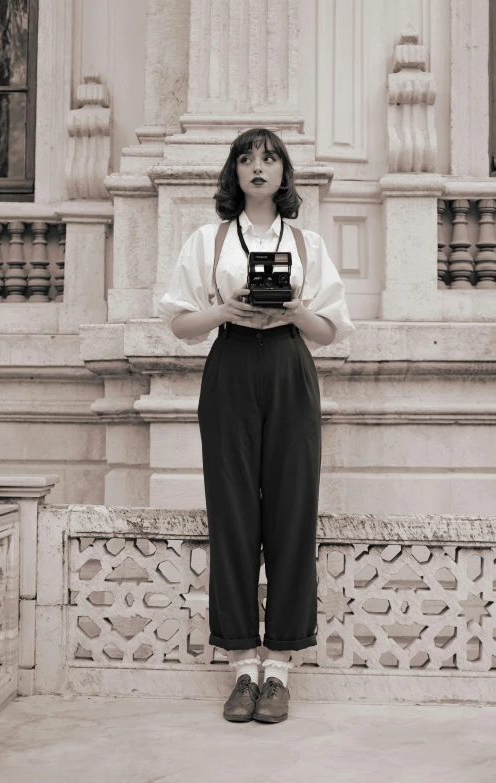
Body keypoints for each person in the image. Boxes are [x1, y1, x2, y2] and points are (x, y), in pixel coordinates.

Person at [158, 128, 355, 724]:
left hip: (290, 362)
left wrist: (295, 308)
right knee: (233, 511)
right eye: (246, 159)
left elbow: (330, 331)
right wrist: (226, 309)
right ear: (234, 174)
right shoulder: (208, 239)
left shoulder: (306, 242)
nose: (258, 168)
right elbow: (179, 325)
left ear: (284, 173)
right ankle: (243, 664)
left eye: (269, 158)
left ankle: (282, 668)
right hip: (232, 362)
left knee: (293, 509)